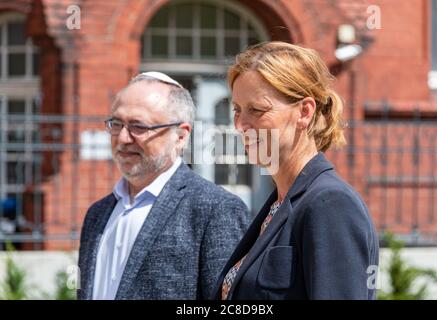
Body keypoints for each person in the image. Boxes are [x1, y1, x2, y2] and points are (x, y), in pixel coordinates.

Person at [211, 42, 379, 300]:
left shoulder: (329, 202)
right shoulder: (279, 202)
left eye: (257, 110)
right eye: (237, 110)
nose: (241, 126)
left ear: (304, 112)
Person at [77, 71, 250, 300]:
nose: (123, 138)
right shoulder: (97, 214)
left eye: (139, 126)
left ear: (180, 136)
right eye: (117, 124)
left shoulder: (215, 210)